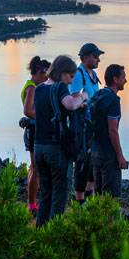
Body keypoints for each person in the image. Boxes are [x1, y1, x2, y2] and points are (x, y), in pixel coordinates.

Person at [34, 55, 86, 226]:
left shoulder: (40, 89)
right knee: (60, 194)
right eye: (70, 76)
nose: (71, 81)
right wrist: (82, 97)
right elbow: (70, 105)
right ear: (62, 73)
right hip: (56, 149)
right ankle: (53, 235)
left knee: (45, 194)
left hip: (39, 147)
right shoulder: (60, 87)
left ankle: (41, 232)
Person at [70, 42, 104, 203]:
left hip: (94, 123)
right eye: (95, 56)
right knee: (82, 162)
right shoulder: (79, 74)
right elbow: (74, 99)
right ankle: (79, 200)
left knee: (92, 162)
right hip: (83, 125)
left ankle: (90, 196)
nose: (98, 60)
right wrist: (86, 104)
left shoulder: (92, 74)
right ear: (84, 58)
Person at [90, 64, 128, 198]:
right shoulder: (113, 100)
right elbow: (113, 130)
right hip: (108, 155)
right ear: (115, 79)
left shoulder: (98, 95)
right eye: (123, 77)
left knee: (98, 196)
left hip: (95, 152)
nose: (126, 80)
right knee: (111, 198)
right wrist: (120, 156)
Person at [21, 56, 50, 216]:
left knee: (35, 168)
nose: (47, 78)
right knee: (36, 169)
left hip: (34, 130)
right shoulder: (31, 87)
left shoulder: (33, 86)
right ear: (38, 72)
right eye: (45, 74)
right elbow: (28, 110)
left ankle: (32, 202)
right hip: (33, 131)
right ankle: (31, 204)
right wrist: (45, 117)